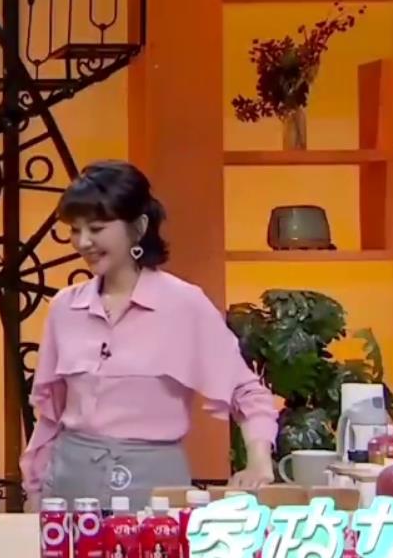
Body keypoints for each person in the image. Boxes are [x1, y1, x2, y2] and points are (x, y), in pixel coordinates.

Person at [19, 160, 277, 510]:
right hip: (68, 487)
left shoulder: (184, 304)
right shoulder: (65, 307)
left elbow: (246, 392)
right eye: (75, 230)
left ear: (138, 228)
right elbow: (50, 413)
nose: (83, 242)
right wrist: (35, 489)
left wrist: (258, 461)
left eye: (96, 228)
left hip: (156, 490)